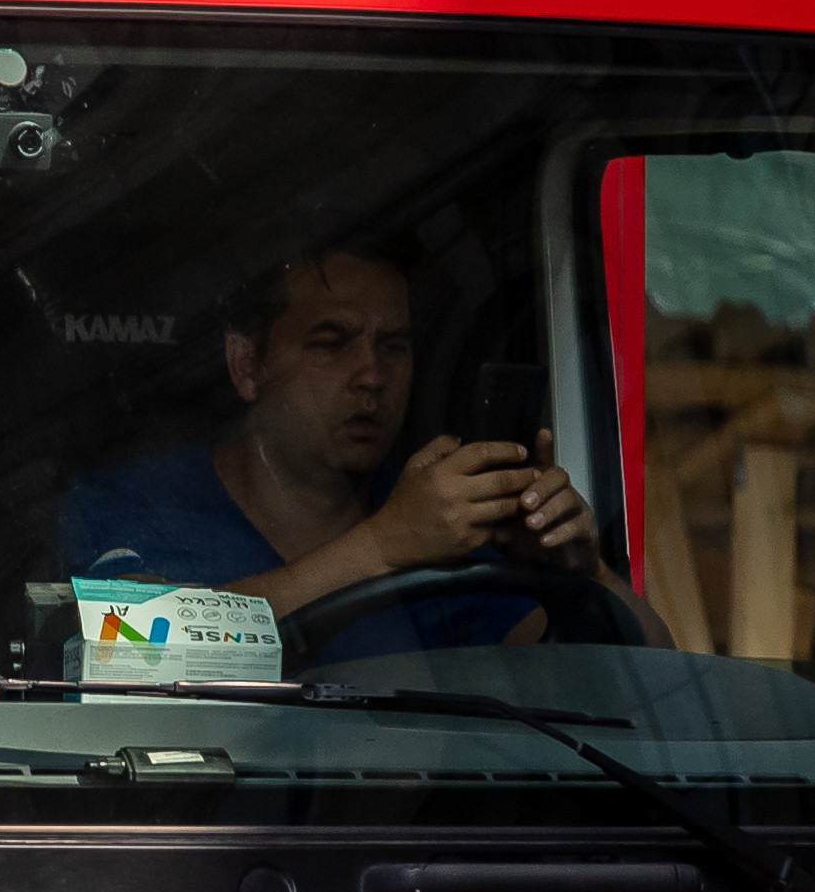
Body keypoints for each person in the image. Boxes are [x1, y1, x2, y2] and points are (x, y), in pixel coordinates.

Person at [56, 238, 600, 649]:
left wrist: (578, 574)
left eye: (394, 346)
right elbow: (128, 647)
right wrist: (382, 549)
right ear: (247, 365)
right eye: (331, 343)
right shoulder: (131, 503)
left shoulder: (437, 519)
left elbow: (646, 684)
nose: (372, 375)